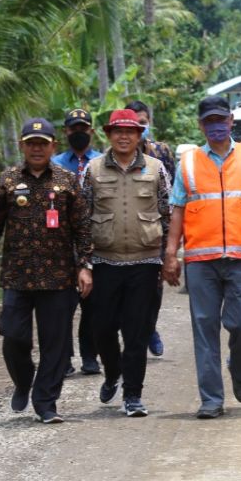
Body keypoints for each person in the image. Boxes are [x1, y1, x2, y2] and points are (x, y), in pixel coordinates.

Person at [162, 95, 241, 419]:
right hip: (202, 259)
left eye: (221, 120)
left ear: (231, 121)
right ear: (201, 125)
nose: (216, 126)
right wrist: (171, 254)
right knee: (204, 329)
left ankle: (240, 372)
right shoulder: (187, 162)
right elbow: (178, 210)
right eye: (209, 121)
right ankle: (211, 399)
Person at [0, 118, 93, 424]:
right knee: (13, 337)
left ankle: (45, 402)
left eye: (43, 144)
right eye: (31, 144)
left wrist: (85, 266)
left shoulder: (67, 180)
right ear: (22, 146)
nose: (37, 149)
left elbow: (82, 228)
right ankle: (24, 379)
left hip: (58, 276)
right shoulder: (9, 180)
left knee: (57, 343)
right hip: (18, 275)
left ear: (54, 146)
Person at [85, 109, 169, 417]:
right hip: (104, 262)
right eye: (117, 131)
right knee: (102, 328)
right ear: (108, 134)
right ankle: (112, 373)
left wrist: (169, 257)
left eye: (130, 131)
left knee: (137, 332)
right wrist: (82, 263)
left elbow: (168, 213)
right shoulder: (93, 170)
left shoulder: (156, 168)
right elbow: (81, 219)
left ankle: (133, 395)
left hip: (144, 262)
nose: (124, 136)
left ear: (139, 135)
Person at [52, 107, 103, 376]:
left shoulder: (103, 163)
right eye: (74, 129)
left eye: (83, 129)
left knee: (92, 304)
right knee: (62, 307)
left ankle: (90, 356)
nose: (79, 133)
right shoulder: (56, 164)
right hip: (61, 244)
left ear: (91, 131)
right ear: (66, 132)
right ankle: (64, 357)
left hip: (95, 243)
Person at [127, 100, 175, 359]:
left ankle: (149, 328)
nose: (139, 128)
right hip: (124, 230)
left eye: (142, 123)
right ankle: (136, 332)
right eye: (134, 123)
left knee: (154, 287)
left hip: (156, 229)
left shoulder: (162, 152)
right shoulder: (114, 154)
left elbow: (173, 191)